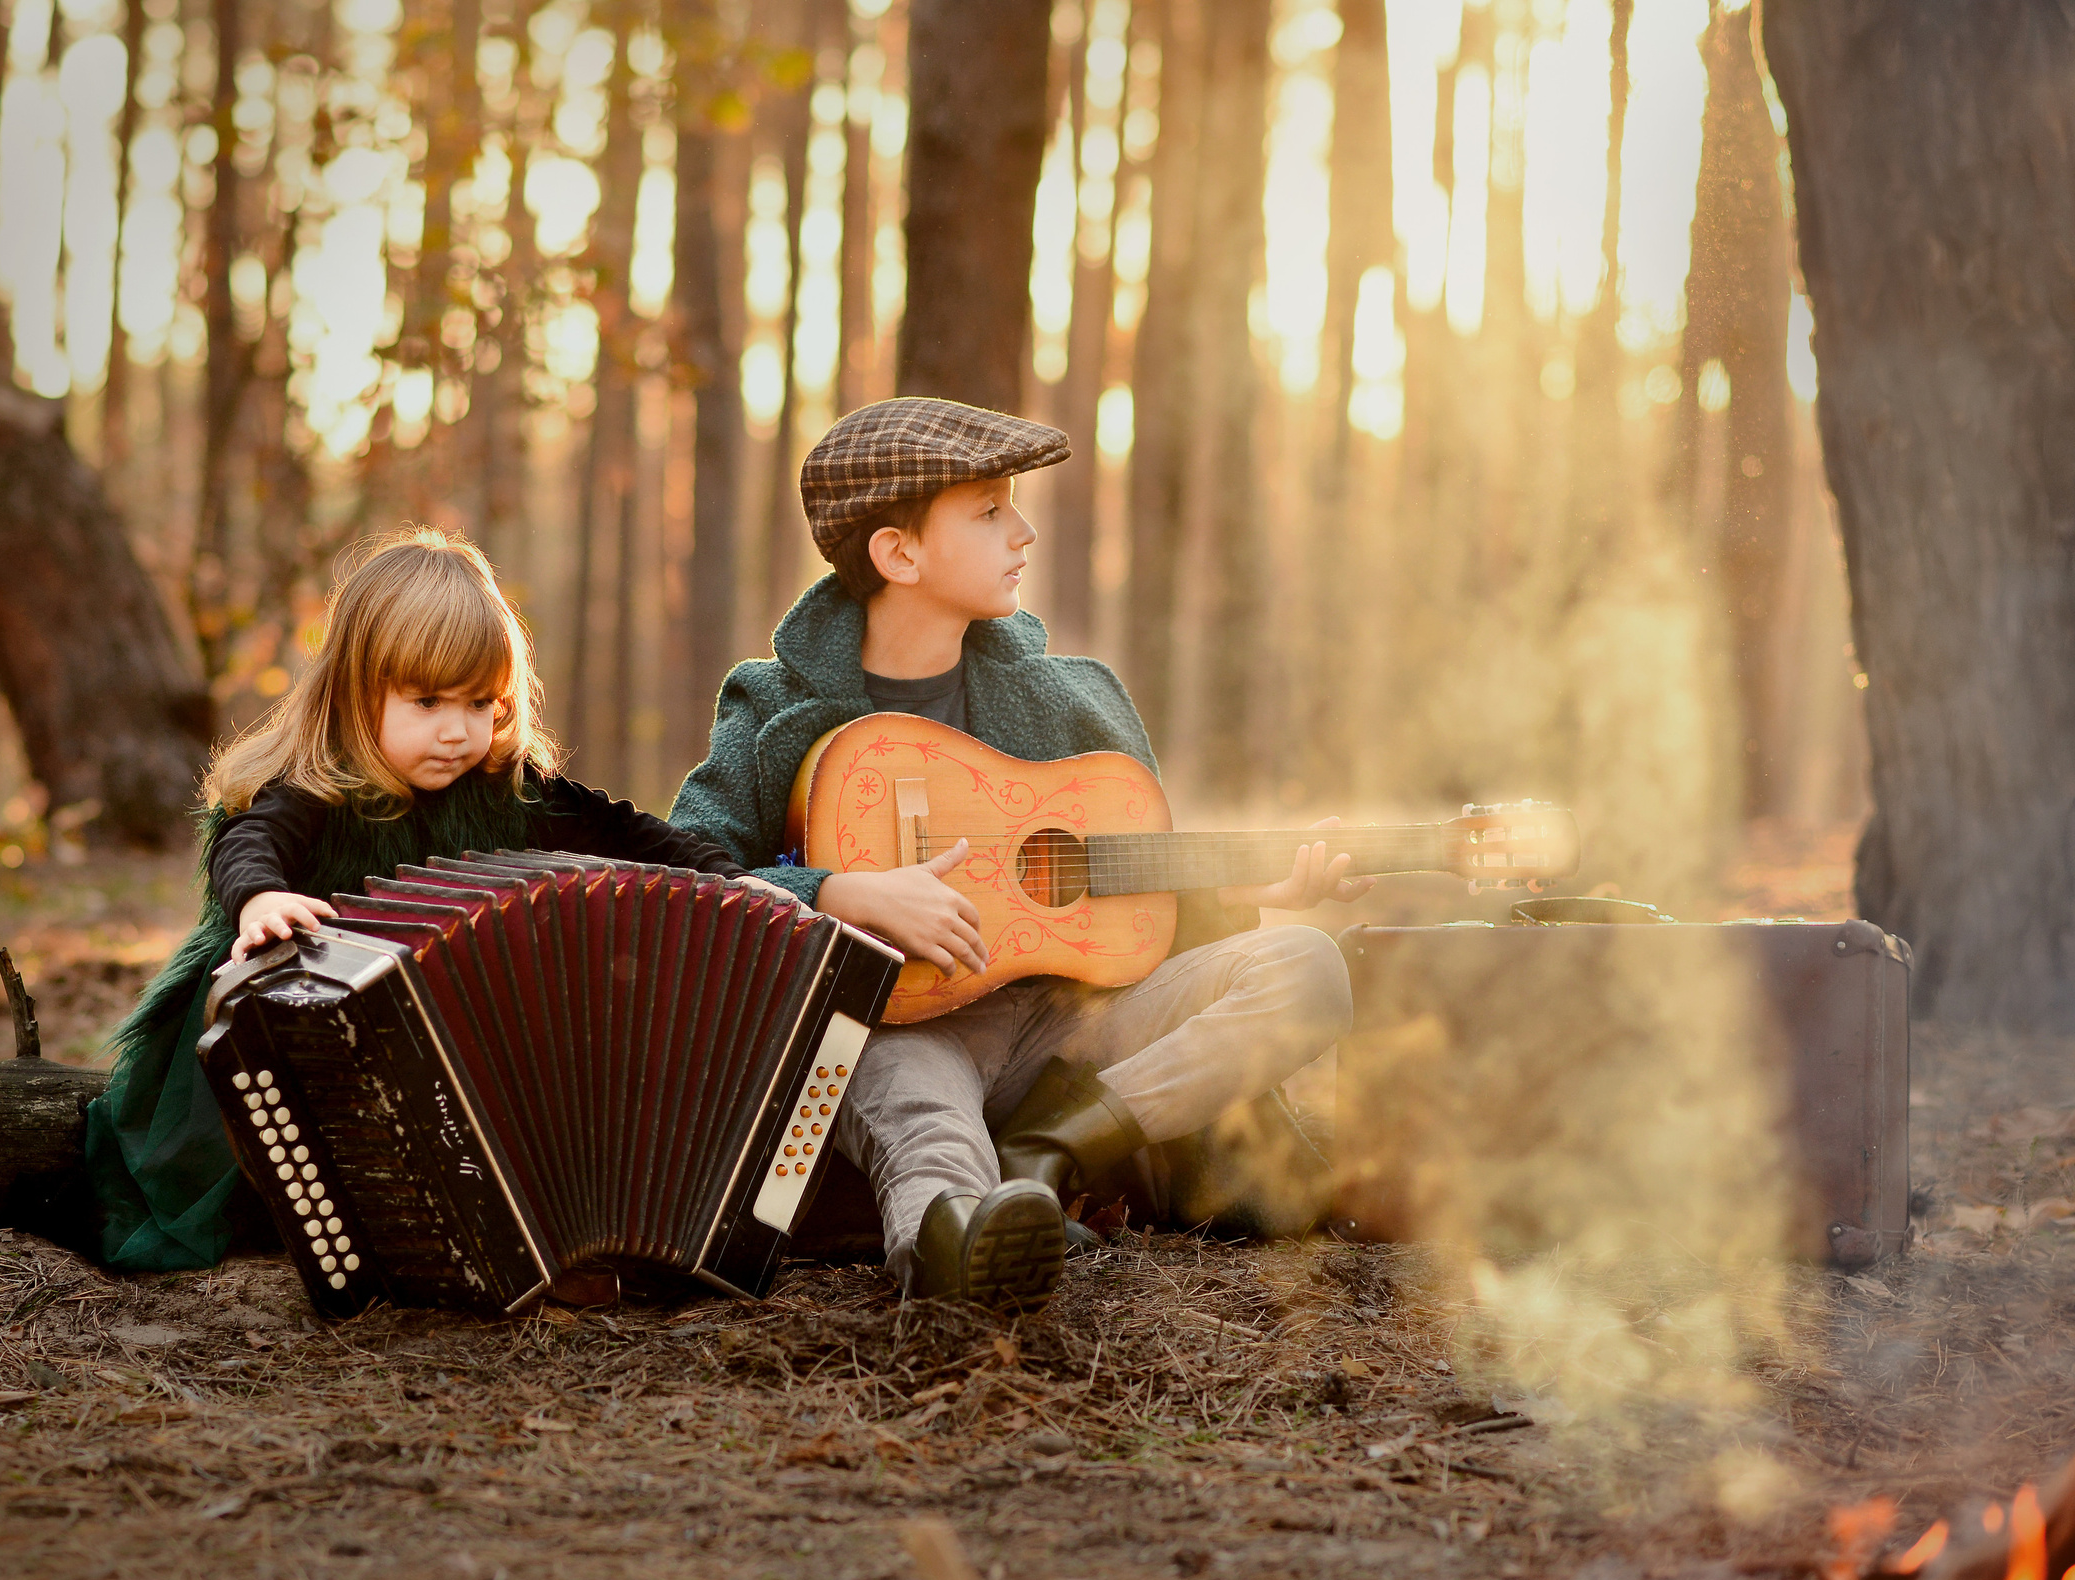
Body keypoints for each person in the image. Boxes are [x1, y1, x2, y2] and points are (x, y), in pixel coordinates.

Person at [670, 398, 1370, 1310]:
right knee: (920, 1115)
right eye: (990, 511)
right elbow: (687, 874)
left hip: (1075, 1037)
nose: (1025, 531)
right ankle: (962, 1251)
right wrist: (838, 891)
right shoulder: (772, 712)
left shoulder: (1073, 704)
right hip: (908, 1030)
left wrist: (1249, 890)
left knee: (1307, 967)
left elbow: (1134, 916)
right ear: (898, 553)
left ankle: (1058, 1147)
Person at [85, 527, 752, 1272]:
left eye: (477, 703)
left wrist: (728, 873)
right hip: (283, 1024)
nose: (455, 730)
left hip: (421, 1041)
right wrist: (260, 898)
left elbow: (622, 827)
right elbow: (249, 840)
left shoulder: (505, 786)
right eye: (426, 699)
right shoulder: (319, 784)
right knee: (266, 1183)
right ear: (354, 692)